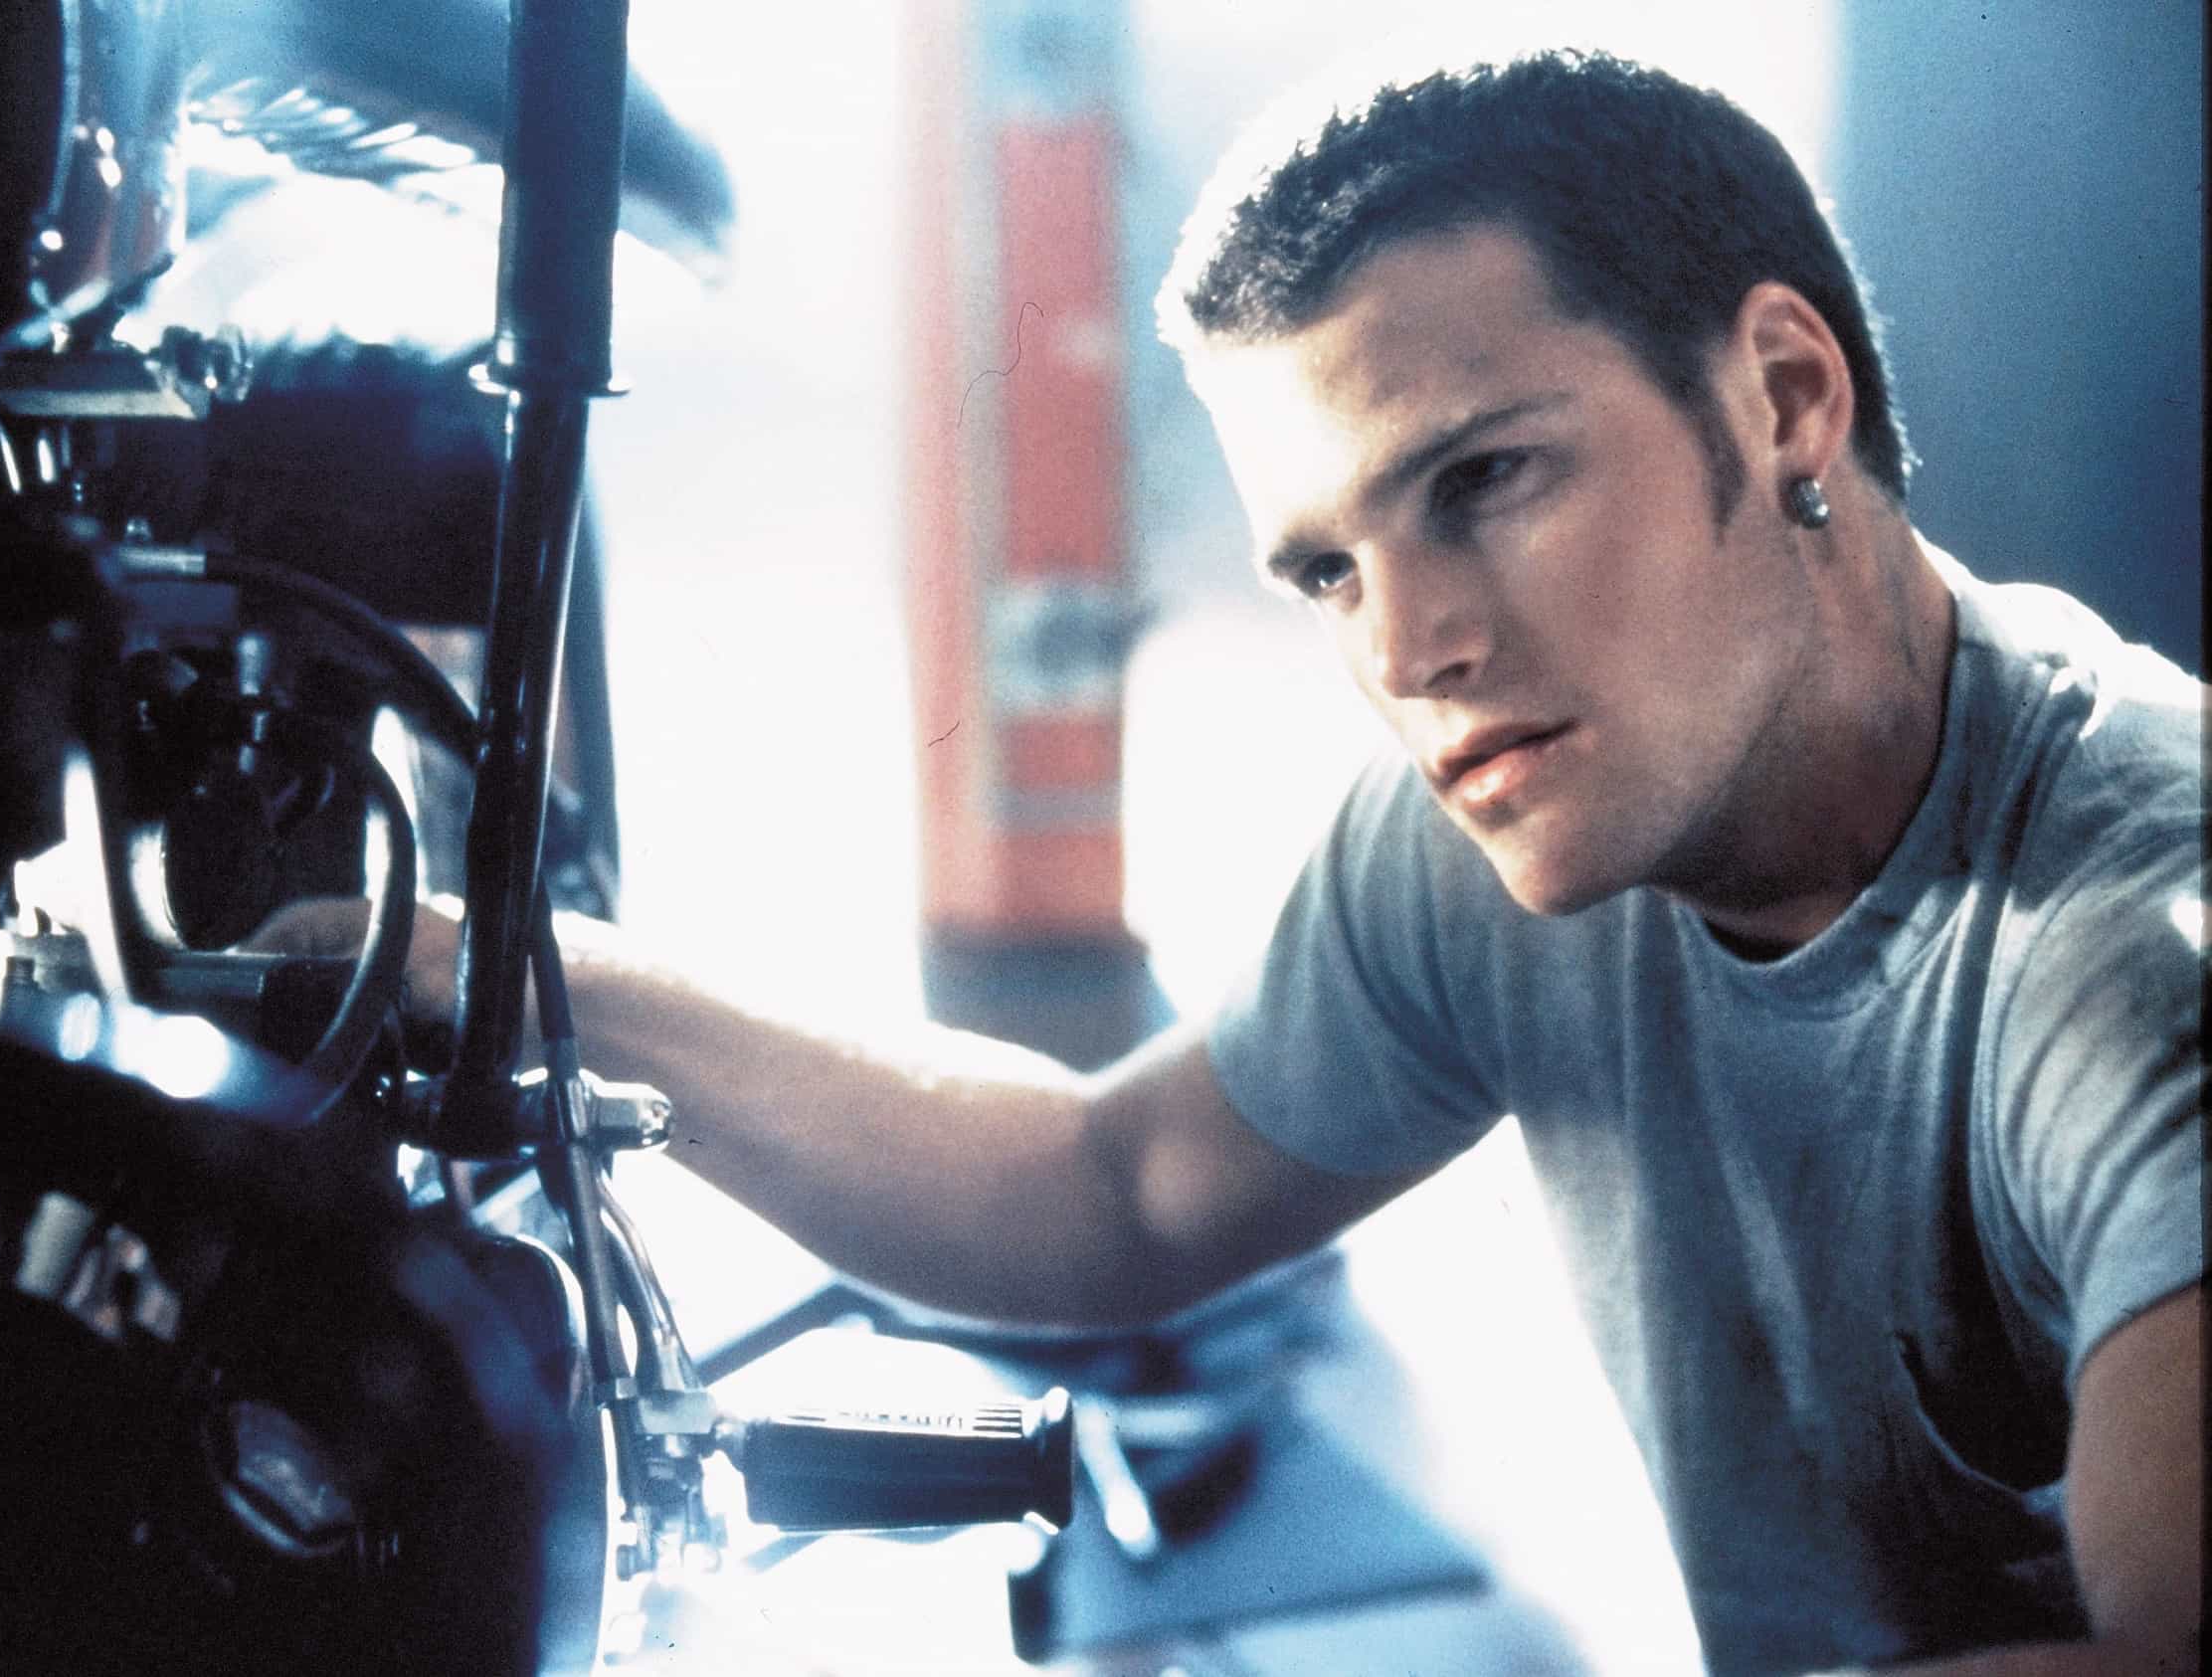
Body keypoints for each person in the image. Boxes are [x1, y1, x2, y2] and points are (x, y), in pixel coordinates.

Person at [265, 50, 2202, 1677]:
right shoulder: (1525, 812)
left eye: (1484, 479)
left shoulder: (2135, 951)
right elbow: (1109, 1189)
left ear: (1781, 397)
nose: (1410, 648)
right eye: (1329, 570)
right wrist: (480, 961)